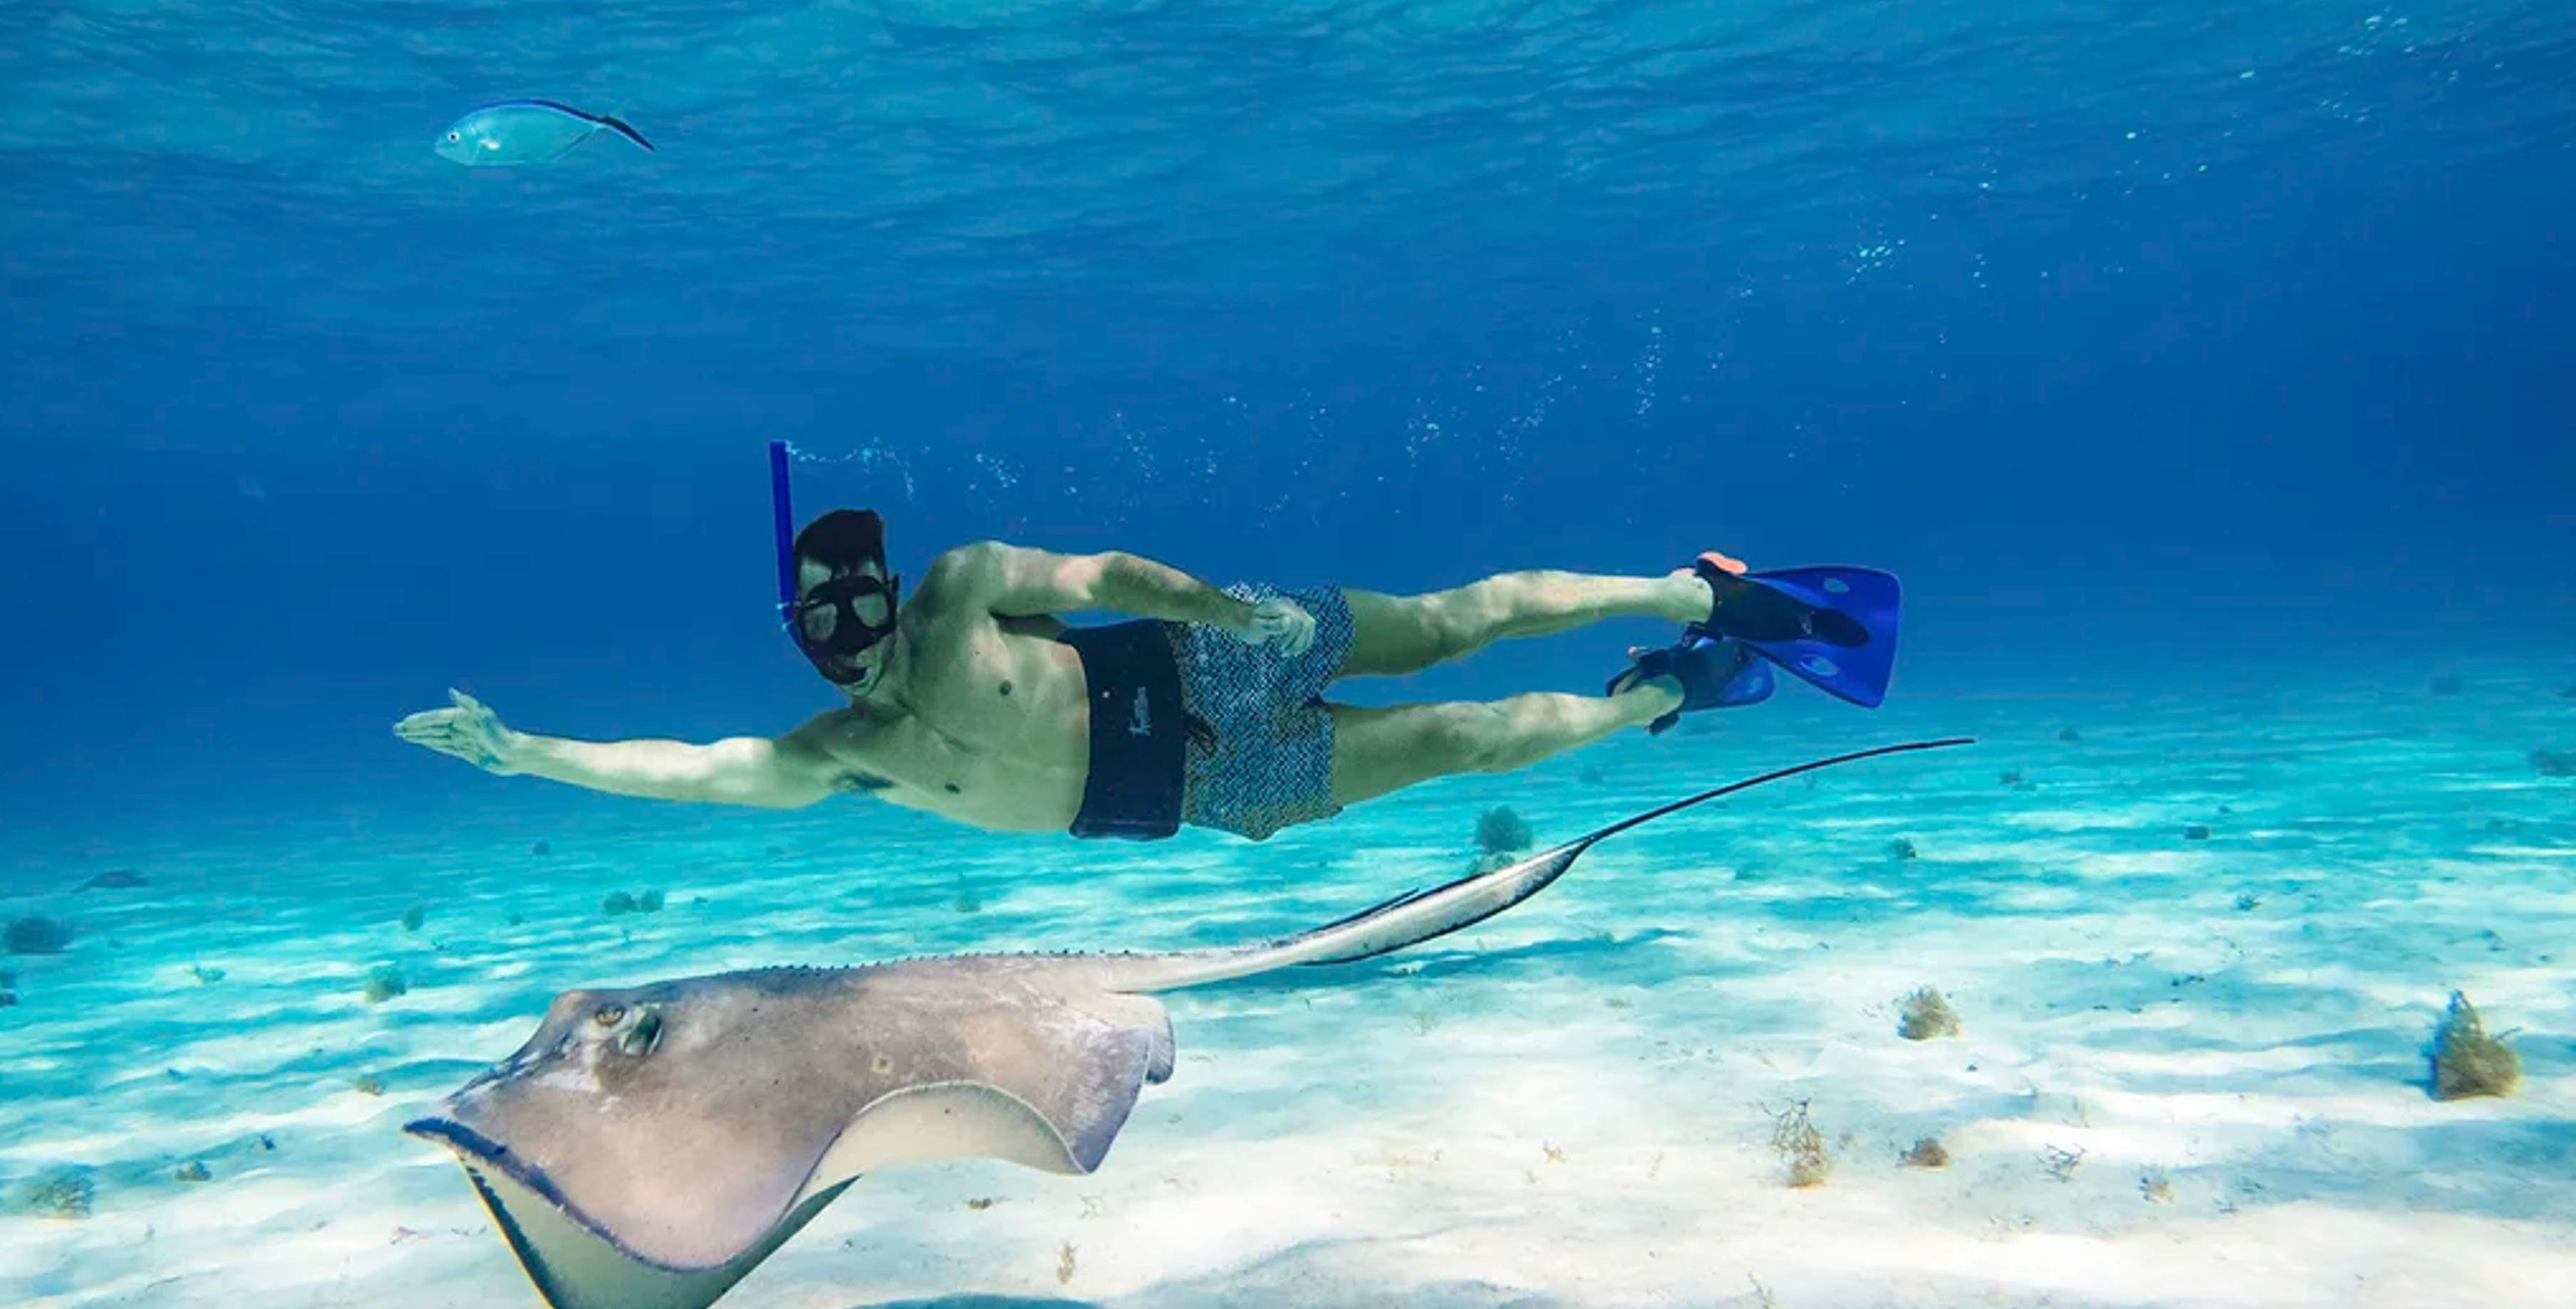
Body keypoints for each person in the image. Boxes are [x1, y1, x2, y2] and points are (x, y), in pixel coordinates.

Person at [393, 509, 1893, 843]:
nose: (857, 614)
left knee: (1454, 619)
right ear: (796, 624)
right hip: (1205, 784)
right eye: (826, 602)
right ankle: (1663, 691)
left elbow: (1101, 579)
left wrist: (1223, 607)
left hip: (1209, 654)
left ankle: (1696, 588)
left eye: (865, 582)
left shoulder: (964, 586)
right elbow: (699, 766)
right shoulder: (844, 749)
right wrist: (527, 751)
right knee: (1463, 739)